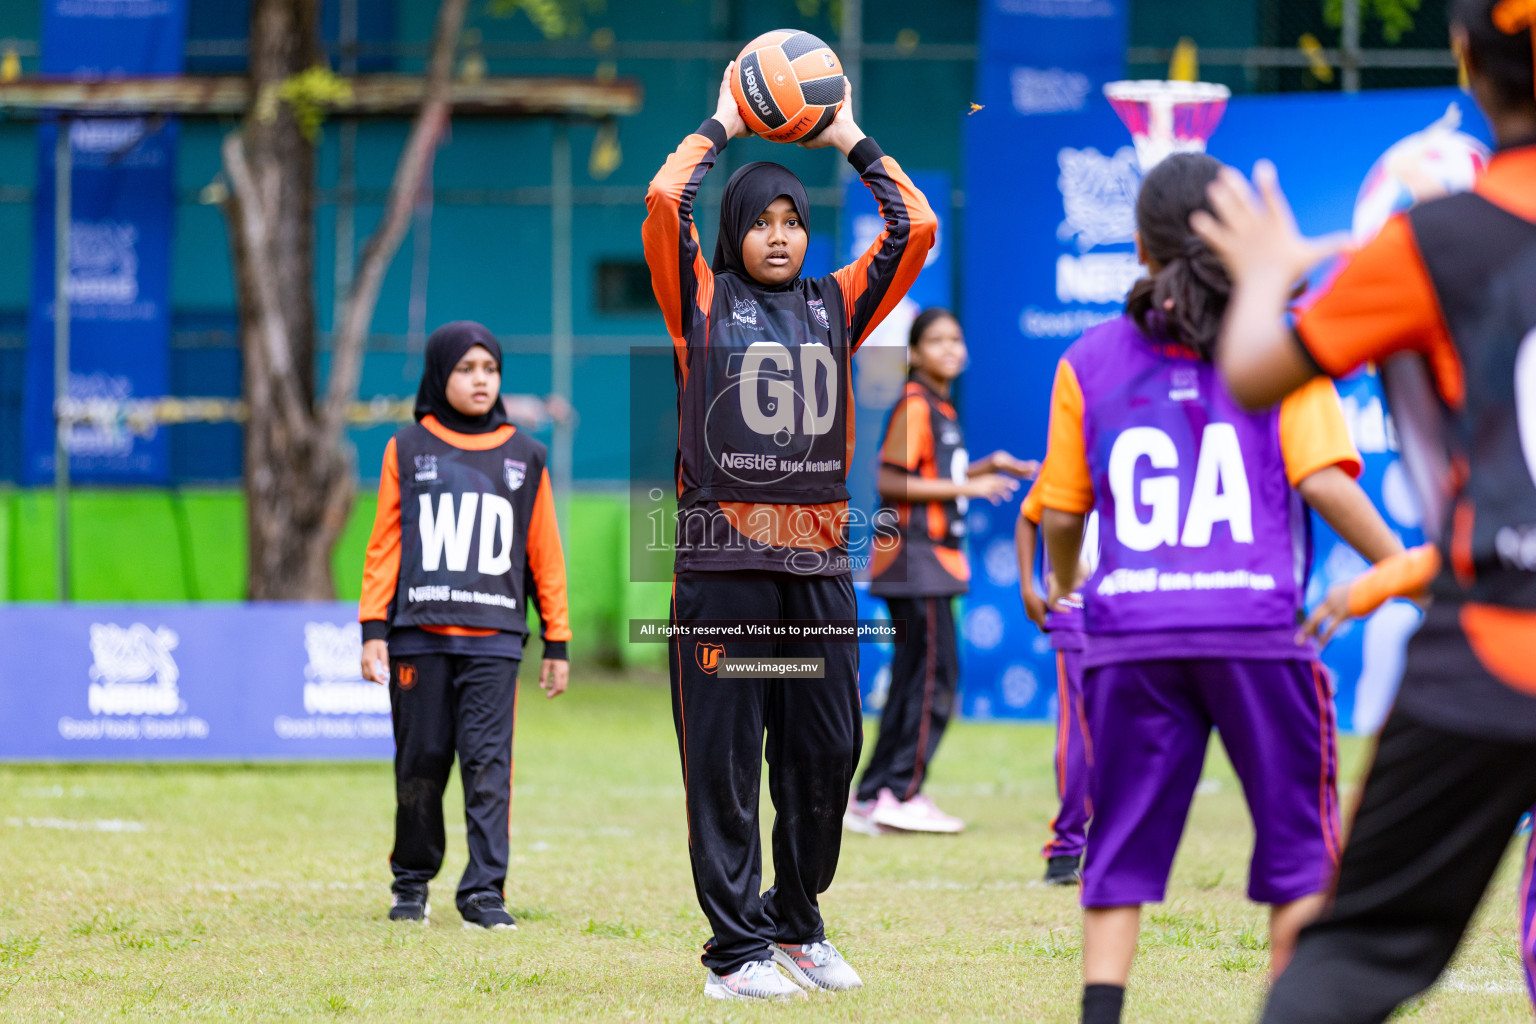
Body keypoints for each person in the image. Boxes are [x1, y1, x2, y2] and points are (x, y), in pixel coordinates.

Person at [1191, 1, 1536, 1016]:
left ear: (1468, 60)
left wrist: (1265, 274)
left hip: (1494, 649)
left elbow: (1255, 369)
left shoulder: (1436, 238)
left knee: (1352, 957)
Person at [1034, 153, 1405, 1024]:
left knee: (1116, 847)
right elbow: (1324, 483)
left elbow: (1061, 513)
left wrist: (1064, 584)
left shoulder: (1088, 359)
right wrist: (1404, 565)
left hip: (1134, 637)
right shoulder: (1278, 345)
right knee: (1300, 855)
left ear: (1137, 245)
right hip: (1254, 632)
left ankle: (1101, 1013)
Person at [642, 65, 936, 1000]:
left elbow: (914, 226)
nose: (780, 235)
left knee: (825, 747)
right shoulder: (697, 298)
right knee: (724, 759)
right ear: (735, 231)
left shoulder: (838, 303)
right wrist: (725, 122)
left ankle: (797, 925)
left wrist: (849, 136)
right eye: (763, 221)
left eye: (793, 221)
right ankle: (734, 954)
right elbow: (662, 196)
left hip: (817, 561)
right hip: (723, 565)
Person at [358, 321, 571, 930]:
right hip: (417, 636)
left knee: (487, 765)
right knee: (420, 760)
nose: (481, 380)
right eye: (465, 369)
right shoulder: (407, 447)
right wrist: (374, 627)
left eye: (490, 369)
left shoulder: (526, 455)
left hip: (495, 640)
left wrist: (557, 637)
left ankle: (483, 892)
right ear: (439, 374)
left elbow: (544, 553)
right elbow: (385, 545)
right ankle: (412, 882)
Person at [845, 308, 1035, 836]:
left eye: (956, 338)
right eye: (936, 340)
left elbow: (934, 472)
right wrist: (965, 489)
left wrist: (986, 466)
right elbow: (890, 479)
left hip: (925, 561)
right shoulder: (915, 404)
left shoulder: (939, 407)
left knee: (914, 678)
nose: (950, 348)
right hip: (916, 558)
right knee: (935, 678)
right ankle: (901, 792)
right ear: (915, 352)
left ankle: (873, 793)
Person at [1017, 483, 1092, 885]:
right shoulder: (1075, 444)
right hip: (1079, 609)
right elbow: (1032, 514)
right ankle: (1067, 850)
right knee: (1081, 732)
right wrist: (1028, 585)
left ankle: (1081, 848)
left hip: (1134, 610)